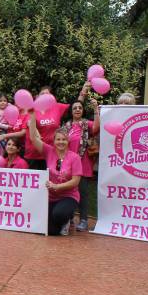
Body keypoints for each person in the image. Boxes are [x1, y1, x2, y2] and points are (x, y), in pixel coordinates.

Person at [27, 108, 83, 236]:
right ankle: (59, 222)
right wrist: (33, 116)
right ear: (54, 141)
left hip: (68, 196)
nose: (61, 142)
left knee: (59, 214)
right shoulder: (49, 151)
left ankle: (66, 220)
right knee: (49, 231)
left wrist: (57, 186)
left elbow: (75, 182)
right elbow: (33, 138)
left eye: (63, 139)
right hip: (50, 197)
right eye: (58, 139)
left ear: (67, 141)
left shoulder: (74, 157)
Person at [63, 99, 100, 231]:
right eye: (75, 108)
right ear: (71, 111)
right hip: (68, 164)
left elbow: (96, 127)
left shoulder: (85, 124)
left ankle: (83, 219)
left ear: (83, 110)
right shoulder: (66, 126)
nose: (77, 109)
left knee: (82, 193)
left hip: (83, 164)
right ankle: (70, 217)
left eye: (80, 107)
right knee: (68, 192)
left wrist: (96, 109)